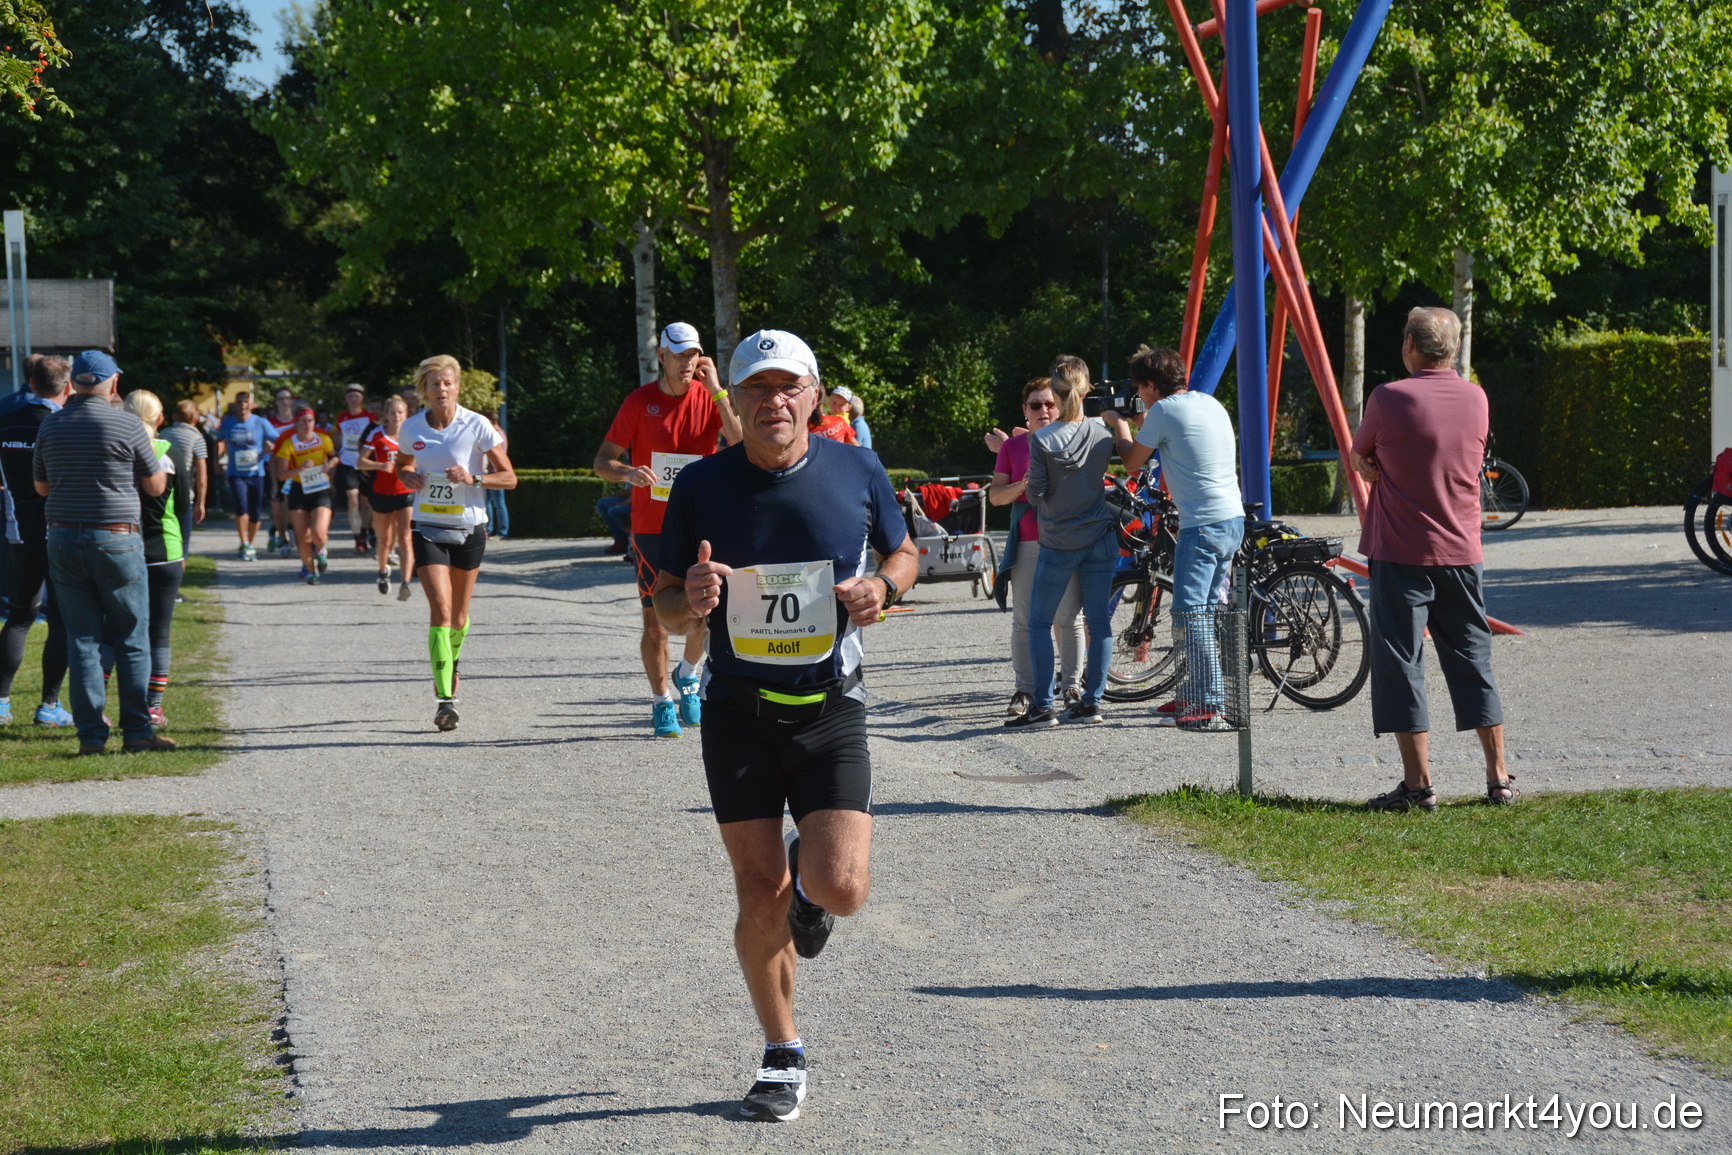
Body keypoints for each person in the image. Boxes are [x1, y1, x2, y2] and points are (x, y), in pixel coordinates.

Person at [651, 328, 917, 1123]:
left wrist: (884, 588)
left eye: (788, 386)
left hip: (831, 705)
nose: (773, 401)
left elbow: (906, 554)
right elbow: (664, 602)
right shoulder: (702, 484)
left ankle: (812, 879)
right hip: (736, 710)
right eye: (757, 389)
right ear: (733, 401)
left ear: (813, 393)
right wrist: (689, 594)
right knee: (754, 887)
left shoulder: (856, 466)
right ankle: (781, 1051)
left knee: (840, 888)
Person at [1352, 307, 1515, 810]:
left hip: (1399, 552)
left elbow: (1361, 457)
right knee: (1473, 657)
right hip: (1461, 552)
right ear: (1454, 349)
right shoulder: (1477, 398)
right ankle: (1499, 778)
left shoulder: (1387, 397)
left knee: (1402, 662)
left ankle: (1418, 786)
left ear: (1408, 345)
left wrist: (1373, 464)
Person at [594, 321, 743, 738]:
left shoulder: (710, 398)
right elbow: (602, 461)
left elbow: (742, 441)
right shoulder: (640, 402)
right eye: (679, 355)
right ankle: (661, 701)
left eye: (694, 355)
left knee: (706, 612)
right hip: (650, 528)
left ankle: (689, 676)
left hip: (701, 523)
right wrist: (627, 472)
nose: (687, 363)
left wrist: (717, 390)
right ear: (662, 356)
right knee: (655, 622)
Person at [31, 350, 175, 755]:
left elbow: (41, 488)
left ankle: (91, 737)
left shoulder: (51, 426)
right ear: (112, 383)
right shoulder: (128, 425)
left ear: (74, 382)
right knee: (131, 637)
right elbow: (155, 487)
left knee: (82, 640)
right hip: (116, 538)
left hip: (61, 538)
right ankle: (137, 732)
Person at [1104, 345, 1244, 730]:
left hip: (1202, 525)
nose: (1140, 393)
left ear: (1150, 385)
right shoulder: (1209, 403)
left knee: (1189, 612)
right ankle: (1196, 693)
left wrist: (1118, 423)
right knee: (1208, 612)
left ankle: (1209, 703)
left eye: (1140, 387)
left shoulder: (1164, 411)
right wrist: (1141, 419)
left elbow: (1132, 462)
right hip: (1232, 519)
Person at [396, 354, 517, 732]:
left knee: (460, 618)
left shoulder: (477, 425)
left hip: (469, 528)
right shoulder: (412, 427)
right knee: (441, 611)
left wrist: (473, 479)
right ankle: (445, 699)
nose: (442, 389)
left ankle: (450, 664)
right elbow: (402, 467)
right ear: (425, 390)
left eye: (448, 383)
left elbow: (509, 477)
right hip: (427, 526)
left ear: (457, 386)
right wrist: (408, 477)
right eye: (435, 384)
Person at [1004, 355, 1115, 729]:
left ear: (1057, 391)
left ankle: (1041, 706)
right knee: (1098, 624)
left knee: (1037, 622)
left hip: (1059, 540)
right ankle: (1091, 702)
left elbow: (1035, 494)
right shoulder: (1102, 432)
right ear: (1085, 390)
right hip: (1099, 535)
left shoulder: (1044, 438)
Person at [988, 378, 1084, 717]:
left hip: (1064, 542)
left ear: (1061, 407)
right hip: (1029, 542)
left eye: (1049, 404)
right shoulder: (1013, 448)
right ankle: (1024, 691)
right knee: (1025, 620)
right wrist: (1023, 485)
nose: (1044, 410)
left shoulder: (1074, 440)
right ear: (1024, 411)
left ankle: (1072, 686)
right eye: (1035, 405)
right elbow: (995, 497)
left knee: (1069, 617)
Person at [0, 355, 73, 728]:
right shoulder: (62, 425)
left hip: (17, 533)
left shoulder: (6, 420)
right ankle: (49, 706)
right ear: (68, 386)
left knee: (20, 615)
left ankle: (1, 704)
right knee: (59, 619)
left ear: (31, 383)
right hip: (57, 532)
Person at [122, 391, 189, 729]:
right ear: (159, 418)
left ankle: (101, 706)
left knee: (115, 632)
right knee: (159, 632)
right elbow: (183, 508)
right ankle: (153, 707)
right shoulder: (170, 451)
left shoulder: (119, 450)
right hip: (165, 551)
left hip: (124, 547)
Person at [359, 396, 417, 599]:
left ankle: (406, 581)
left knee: (406, 538)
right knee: (384, 540)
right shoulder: (377, 434)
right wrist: (379, 465)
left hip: (406, 492)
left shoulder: (411, 434)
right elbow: (360, 462)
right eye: (393, 413)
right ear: (386, 415)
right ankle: (383, 572)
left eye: (400, 412)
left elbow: (422, 458)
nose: (396, 417)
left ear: (406, 414)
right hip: (382, 493)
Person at [273, 406, 338, 584]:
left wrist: (329, 465)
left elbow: (334, 457)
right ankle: (311, 572)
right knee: (302, 535)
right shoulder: (289, 444)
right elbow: (281, 474)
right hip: (299, 490)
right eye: (304, 421)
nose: (308, 425)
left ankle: (321, 549)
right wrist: (300, 469)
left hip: (320, 489)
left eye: (310, 421)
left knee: (318, 532)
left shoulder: (323, 439)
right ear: (296, 423)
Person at [216, 392, 275, 560]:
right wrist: (217, 460)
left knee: (255, 512)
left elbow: (276, 439)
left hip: (256, 472)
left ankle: (251, 543)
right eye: (239, 401)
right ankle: (243, 542)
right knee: (241, 506)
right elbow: (219, 440)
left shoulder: (260, 422)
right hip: (236, 473)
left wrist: (267, 449)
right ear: (234, 404)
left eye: (245, 401)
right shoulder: (228, 423)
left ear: (251, 404)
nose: (242, 405)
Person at [332, 384, 378, 556]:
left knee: (366, 503)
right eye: (350, 396)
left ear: (361, 398)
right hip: (347, 462)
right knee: (352, 500)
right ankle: (358, 537)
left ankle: (366, 530)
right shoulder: (342, 417)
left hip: (364, 463)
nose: (353, 399)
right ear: (346, 399)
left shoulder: (370, 416)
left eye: (356, 396)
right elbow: (338, 437)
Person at [163, 400, 208, 529]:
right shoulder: (197, 439)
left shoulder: (162, 435)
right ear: (196, 419)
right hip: (184, 494)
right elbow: (202, 477)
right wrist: (201, 502)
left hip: (162, 493)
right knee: (183, 542)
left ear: (174, 416)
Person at [482, 409, 510, 538]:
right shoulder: (499, 433)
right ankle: (490, 528)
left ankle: (502, 531)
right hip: (490, 474)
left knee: (499, 504)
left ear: (491, 421)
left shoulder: (497, 435)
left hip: (496, 474)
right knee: (488, 503)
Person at [830, 385, 872, 450]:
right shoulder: (860, 424)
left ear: (849, 408)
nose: (836, 407)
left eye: (841, 405)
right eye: (834, 403)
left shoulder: (844, 422)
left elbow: (855, 448)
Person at [596, 491, 632, 556]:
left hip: (637, 502)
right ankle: (621, 539)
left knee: (613, 511)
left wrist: (622, 504)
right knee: (602, 503)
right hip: (629, 498)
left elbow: (636, 494)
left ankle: (630, 537)